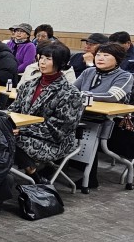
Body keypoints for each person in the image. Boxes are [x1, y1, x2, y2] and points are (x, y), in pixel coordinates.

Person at [7, 42, 84, 177]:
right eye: (41, 57)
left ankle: (33, 176)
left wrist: (22, 130)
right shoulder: (28, 85)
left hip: (54, 141)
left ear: (61, 63)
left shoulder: (70, 93)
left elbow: (59, 130)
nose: (42, 62)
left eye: (48, 59)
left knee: (9, 140)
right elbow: (14, 110)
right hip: (22, 133)